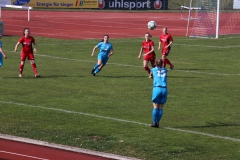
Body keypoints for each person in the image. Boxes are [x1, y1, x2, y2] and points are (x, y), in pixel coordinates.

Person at [149, 58, 168, 128]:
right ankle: (157, 122)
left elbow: (151, 75)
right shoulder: (165, 70)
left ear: (155, 64)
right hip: (164, 89)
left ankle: (154, 122)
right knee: (161, 107)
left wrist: (151, 76)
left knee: (155, 106)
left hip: (157, 88)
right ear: (162, 64)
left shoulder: (153, 69)